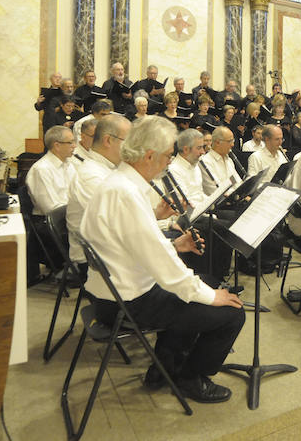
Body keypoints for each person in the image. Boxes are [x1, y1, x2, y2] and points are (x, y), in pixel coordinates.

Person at [80, 116, 245, 403]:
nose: (169, 162)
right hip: (126, 301)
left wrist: (176, 247)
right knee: (230, 312)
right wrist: (210, 297)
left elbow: (140, 242)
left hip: (112, 291)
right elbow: (166, 270)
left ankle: (163, 369)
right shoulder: (126, 192)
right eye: (168, 156)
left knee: (205, 283)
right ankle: (191, 379)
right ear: (149, 156)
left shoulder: (119, 182)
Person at [66, 115, 130, 269]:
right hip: (96, 258)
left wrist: (156, 215)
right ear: (108, 140)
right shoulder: (90, 175)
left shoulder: (109, 168)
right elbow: (113, 224)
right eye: (127, 141)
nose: (131, 148)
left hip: (115, 247)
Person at [169, 129, 233, 278]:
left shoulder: (194, 165)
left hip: (201, 210)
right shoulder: (174, 169)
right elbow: (184, 204)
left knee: (234, 218)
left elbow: (200, 194)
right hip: (188, 217)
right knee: (223, 227)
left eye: (203, 147)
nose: (203, 152)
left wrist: (212, 200)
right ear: (185, 149)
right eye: (199, 148)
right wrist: (209, 208)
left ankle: (221, 273)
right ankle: (213, 276)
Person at [26, 125, 78, 285]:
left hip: (67, 216)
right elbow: (52, 208)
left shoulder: (69, 164)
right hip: (49, 223)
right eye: (70, 142)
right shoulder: (41, 169)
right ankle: (83, 272)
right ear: (57, 145)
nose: (75, 145)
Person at [200, 126, 243, 195]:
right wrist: (237, 194)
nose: (232, 145)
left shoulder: (229, 160)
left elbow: (238, 183)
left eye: (233, 141)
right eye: (229, 141)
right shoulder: (206, 162)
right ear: (217, 142)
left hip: (235, 199)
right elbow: (216, 191)